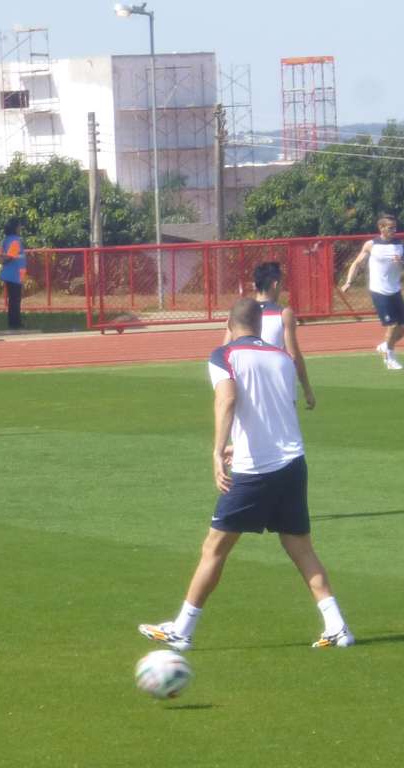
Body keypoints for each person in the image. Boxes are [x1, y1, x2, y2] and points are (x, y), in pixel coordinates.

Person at [138, 298, 354, 650]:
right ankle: (338, 627)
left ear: (229, 322)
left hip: (255, 470)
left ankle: (183, 629)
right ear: (260, 322)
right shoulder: (282, 357)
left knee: (215, 547)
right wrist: (236, 444)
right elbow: (275, 413)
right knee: (300, 547)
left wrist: (217, 450)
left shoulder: (223, 355)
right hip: (293, 463)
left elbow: (227, 400)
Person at [223, 261, 315, 409]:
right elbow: (293, 355)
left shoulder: (238, 312)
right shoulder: (284, 314)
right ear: (275, 284)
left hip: (247, 383)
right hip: (278, 384)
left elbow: (225, 349)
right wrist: (307, 389)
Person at [341, 213, 404, 370]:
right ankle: (389, 357)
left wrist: (401, 262)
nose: (394, 230)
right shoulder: (371, 244)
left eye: (395, 227)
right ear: (381, 228)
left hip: (395, 290)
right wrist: (348, 282)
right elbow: (357, 263)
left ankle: (385, 345)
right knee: (393, 324)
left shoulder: (400, 244)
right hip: (379, 290)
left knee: (402, 328)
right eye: (390, 228)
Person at [0, 219, 26, 330]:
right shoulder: (15, 240)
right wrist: (4, 259)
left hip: (11, 274)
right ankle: (15, 323)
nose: (20, 229)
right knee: (15, 299)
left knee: (13, 299)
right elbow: (10, 256)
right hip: (14, 274)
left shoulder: (6, 240)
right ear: (15, 228)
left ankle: (13, 322)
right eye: (19, 226)